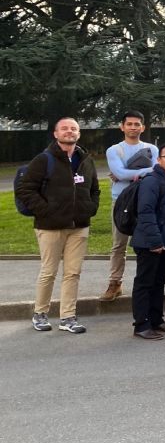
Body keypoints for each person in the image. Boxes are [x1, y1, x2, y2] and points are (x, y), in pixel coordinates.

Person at [17, 118, 101, 334]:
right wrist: (46, 211)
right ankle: (40, 313)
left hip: (79, 226)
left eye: (74, 128)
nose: (69, 131)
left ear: (79, 134)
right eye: (64, 128)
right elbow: (26, 190)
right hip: (50, 226)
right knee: (49, 272)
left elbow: (94, 189)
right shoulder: (44, 160)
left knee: (73, 273)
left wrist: (90, 208)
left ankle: (68, 317)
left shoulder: (86, 160)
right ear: (56, 134)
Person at [100, 111, 159, 303]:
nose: (133, 127)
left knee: (149, 243)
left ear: (142, 127)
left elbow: (158, 170)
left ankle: (149, 282)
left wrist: (128, 173)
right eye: (130, 124)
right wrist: (141, 172)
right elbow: (118, 172)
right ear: (122, 127)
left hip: (147, 200)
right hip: (122, 202)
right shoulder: (114, 150)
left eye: (137, 124)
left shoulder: (152, 149)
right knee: (119, 244)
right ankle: (115, 283)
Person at [129, 142, 165, 340]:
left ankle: (156, 319)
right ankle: (141, 324)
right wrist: (155, 241)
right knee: (145, 282)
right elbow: (146, 212)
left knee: (158, 281)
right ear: (159, 160)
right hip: (150, 242)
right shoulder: (152, 181)